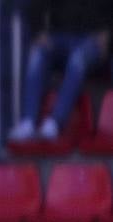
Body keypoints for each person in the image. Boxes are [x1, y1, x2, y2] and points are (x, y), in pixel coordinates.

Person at [8, 1, 113, 142]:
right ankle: (28, 121)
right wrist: (39, 32)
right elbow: (36, 6)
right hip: (59, 37)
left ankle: (55, 122)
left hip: (93, 39)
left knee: (77, 58)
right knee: (38, 54)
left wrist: (108, 34)